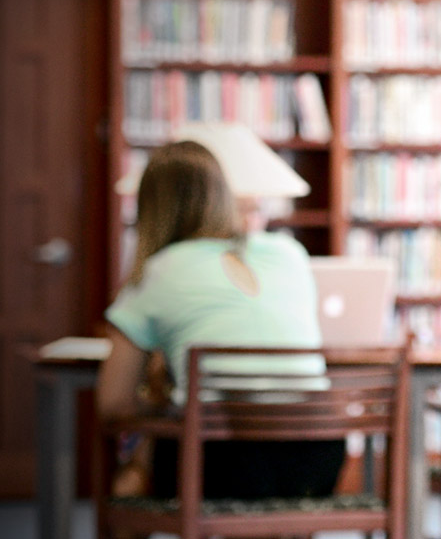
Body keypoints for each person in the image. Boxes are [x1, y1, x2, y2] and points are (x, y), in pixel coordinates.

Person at [95, 140, 342, 499]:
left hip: (219, 463)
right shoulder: (289, 252)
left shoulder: (159, 270)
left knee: (139, 467)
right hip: (316, 457)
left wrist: (163, 409)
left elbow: (112, 403)